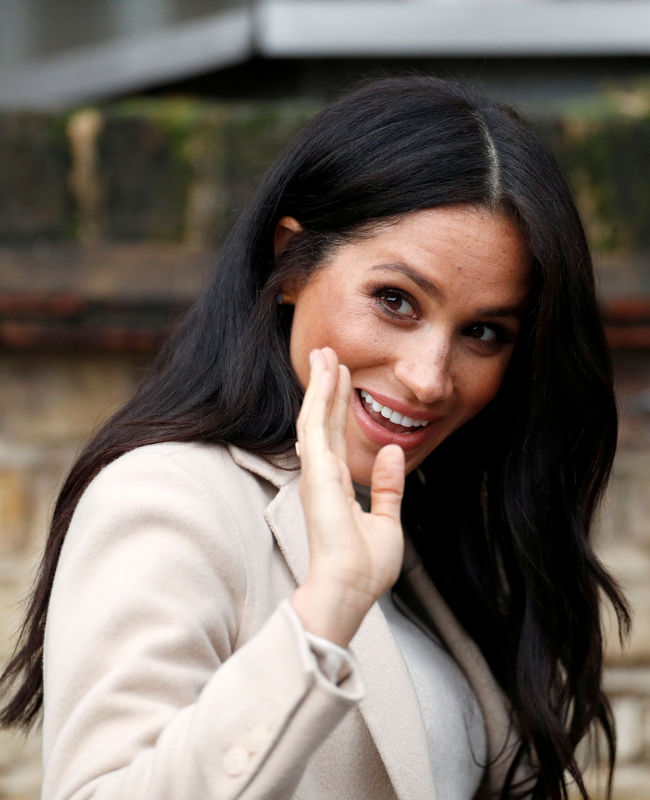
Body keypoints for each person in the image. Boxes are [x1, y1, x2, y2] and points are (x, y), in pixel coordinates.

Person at [0, 76, 629, 800]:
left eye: (483, 332)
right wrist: (325, 612)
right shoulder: (170, 499)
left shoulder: (426, 532)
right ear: (291, 264)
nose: (429, 378)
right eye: (395, 301)